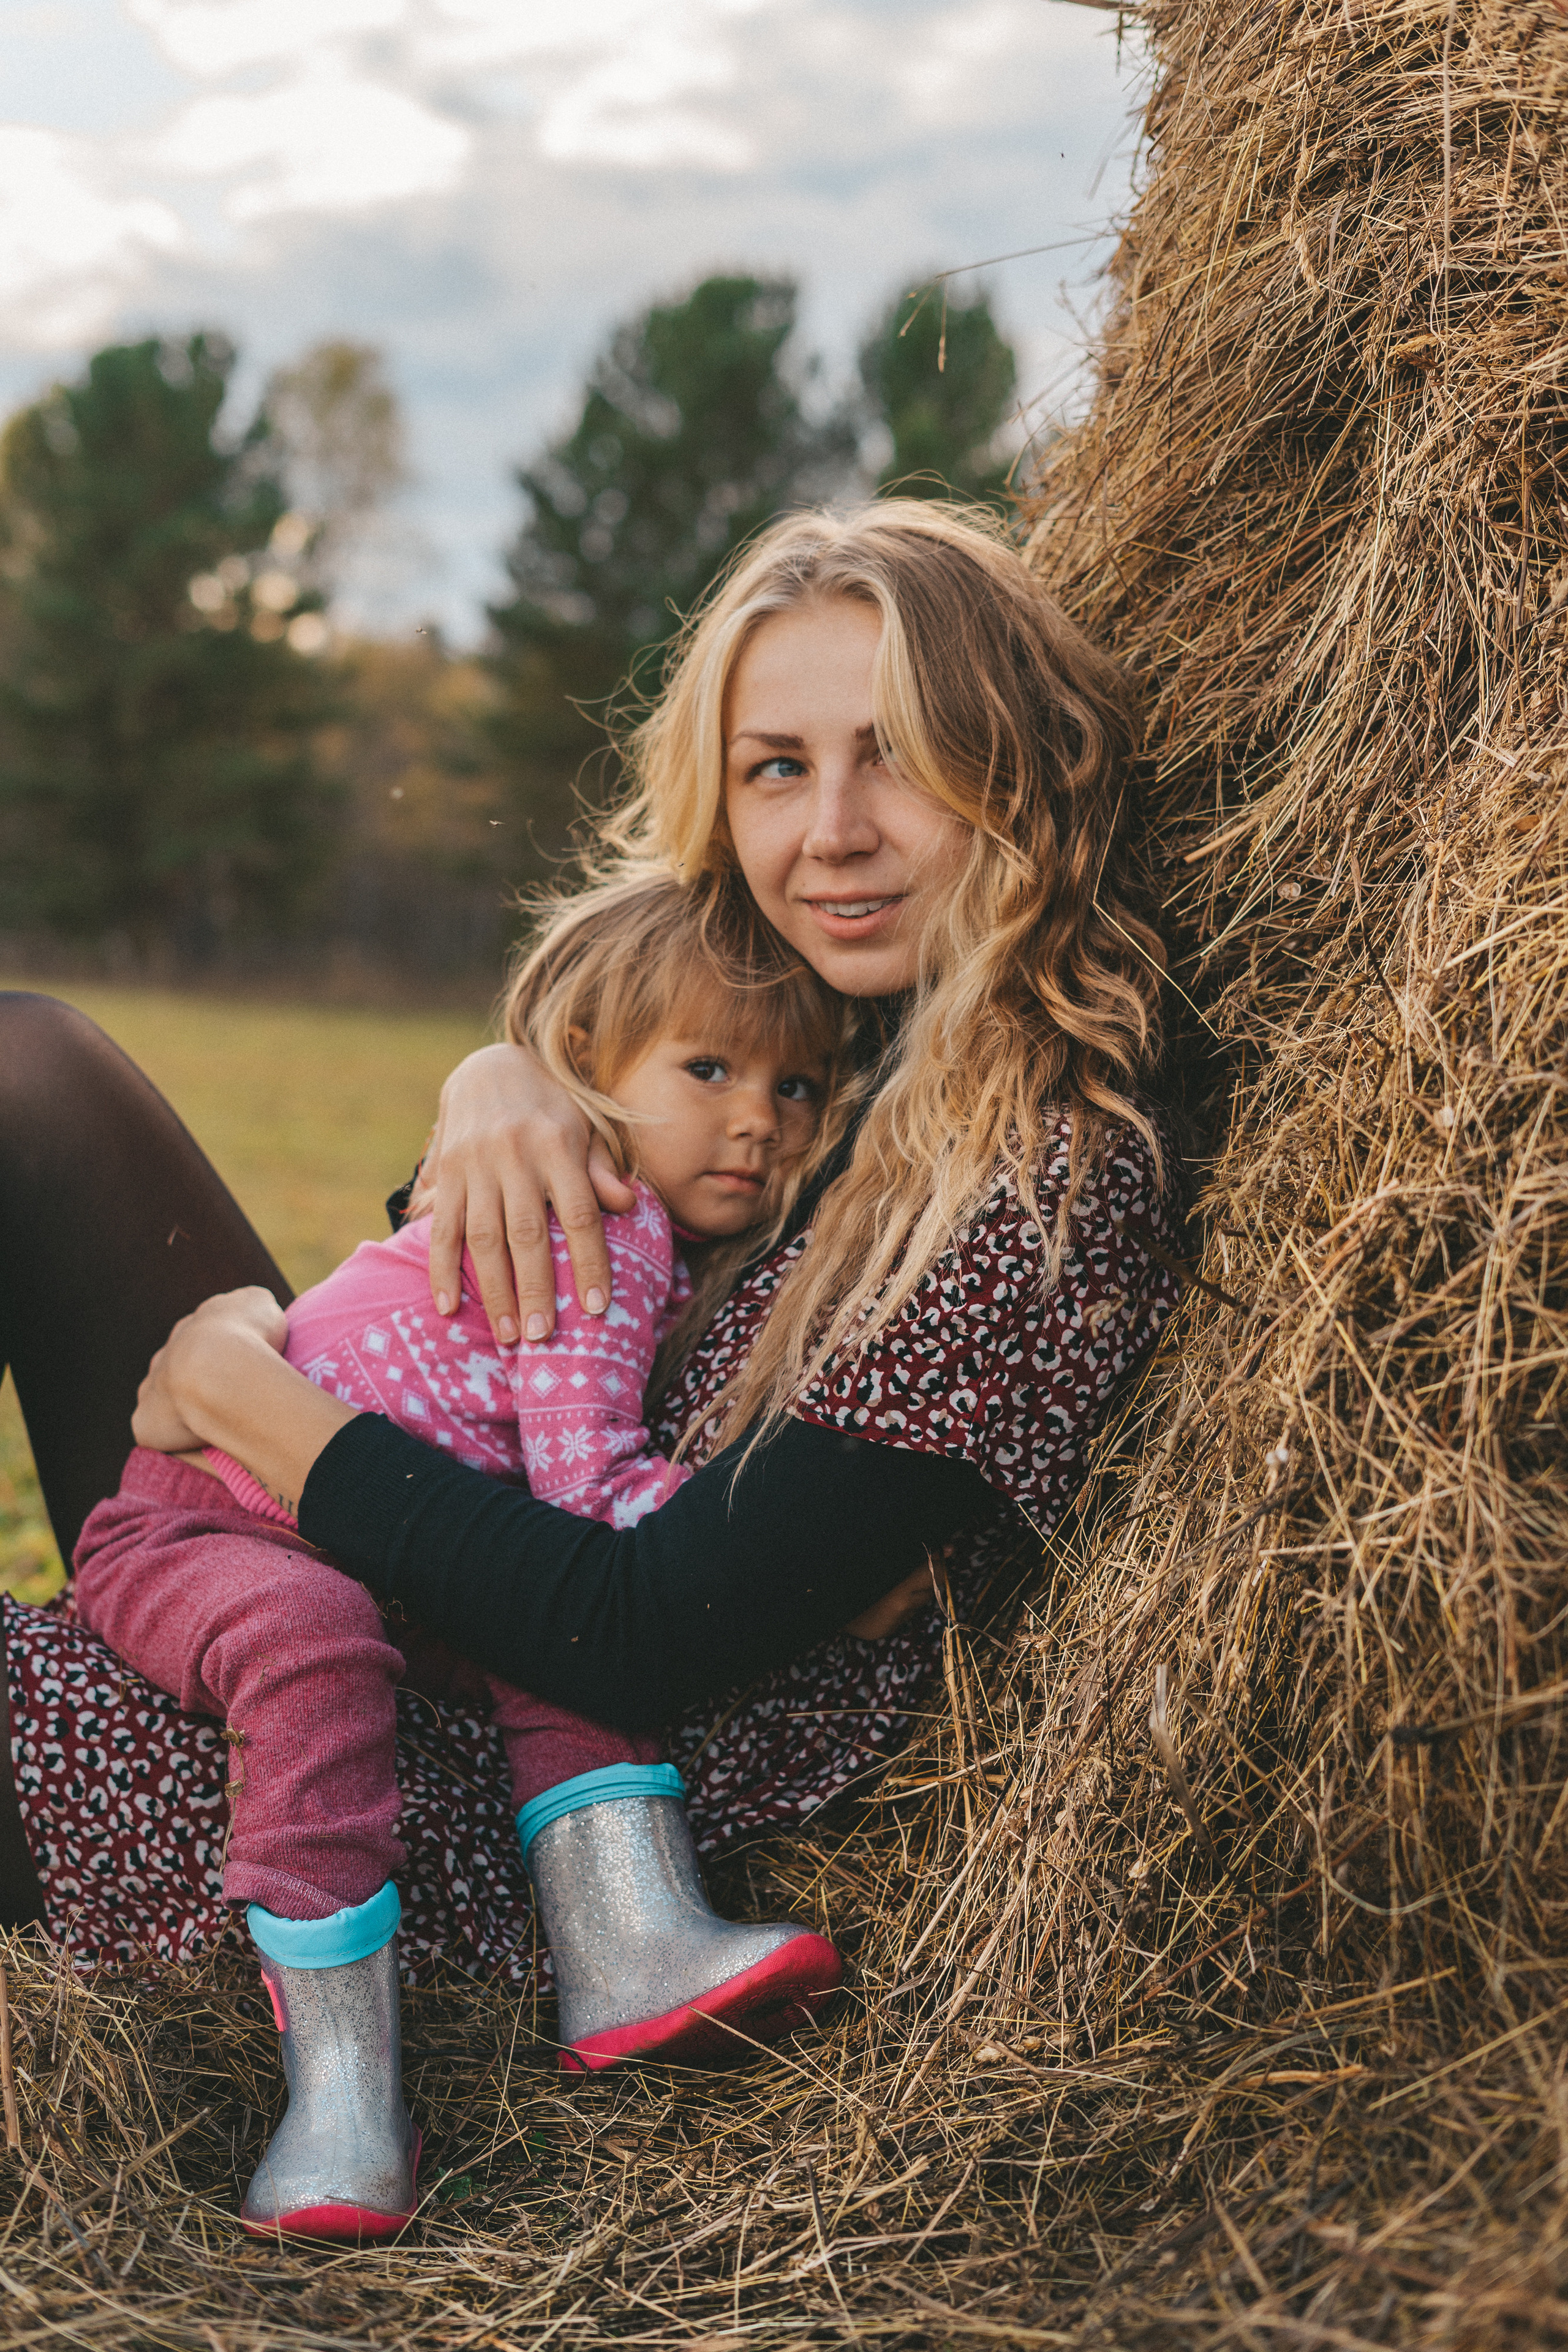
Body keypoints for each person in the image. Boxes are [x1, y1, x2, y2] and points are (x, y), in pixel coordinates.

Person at [0, 497, 1183, 2212]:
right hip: (417, 1562)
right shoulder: (827, 1030)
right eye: (777, 768)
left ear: (1021, 771)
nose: (833, 833)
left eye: (900, 761)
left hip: (488, 1774)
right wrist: (509, 1084)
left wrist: (267, 1413)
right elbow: (499, 1294)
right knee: (31, 1074)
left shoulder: (1036, 1196)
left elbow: (639, 1626)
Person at [70, 874, 848, 2239]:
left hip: (344, 1528)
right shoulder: (603, 1225)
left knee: (537, 1618)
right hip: (200, 1516)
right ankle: (343, 2095)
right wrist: (787, 1538)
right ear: (591, 1074)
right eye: (709, 1067)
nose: (755, 1120)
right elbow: (593, 1490)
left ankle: (627, 1946)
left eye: (796, 1090)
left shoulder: (640, 1229)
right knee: (328, 1641)